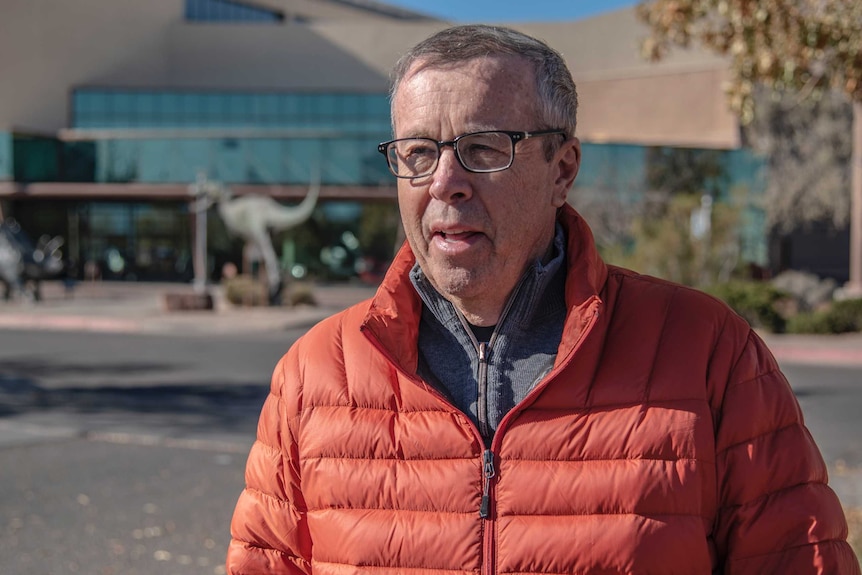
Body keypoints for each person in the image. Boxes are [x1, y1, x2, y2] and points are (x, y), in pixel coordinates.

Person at [227, 24, 860, 574]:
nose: (445, 183)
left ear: (563, 170)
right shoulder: (314, 376)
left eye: (483, 149)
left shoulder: (708, 353)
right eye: (418, 153)